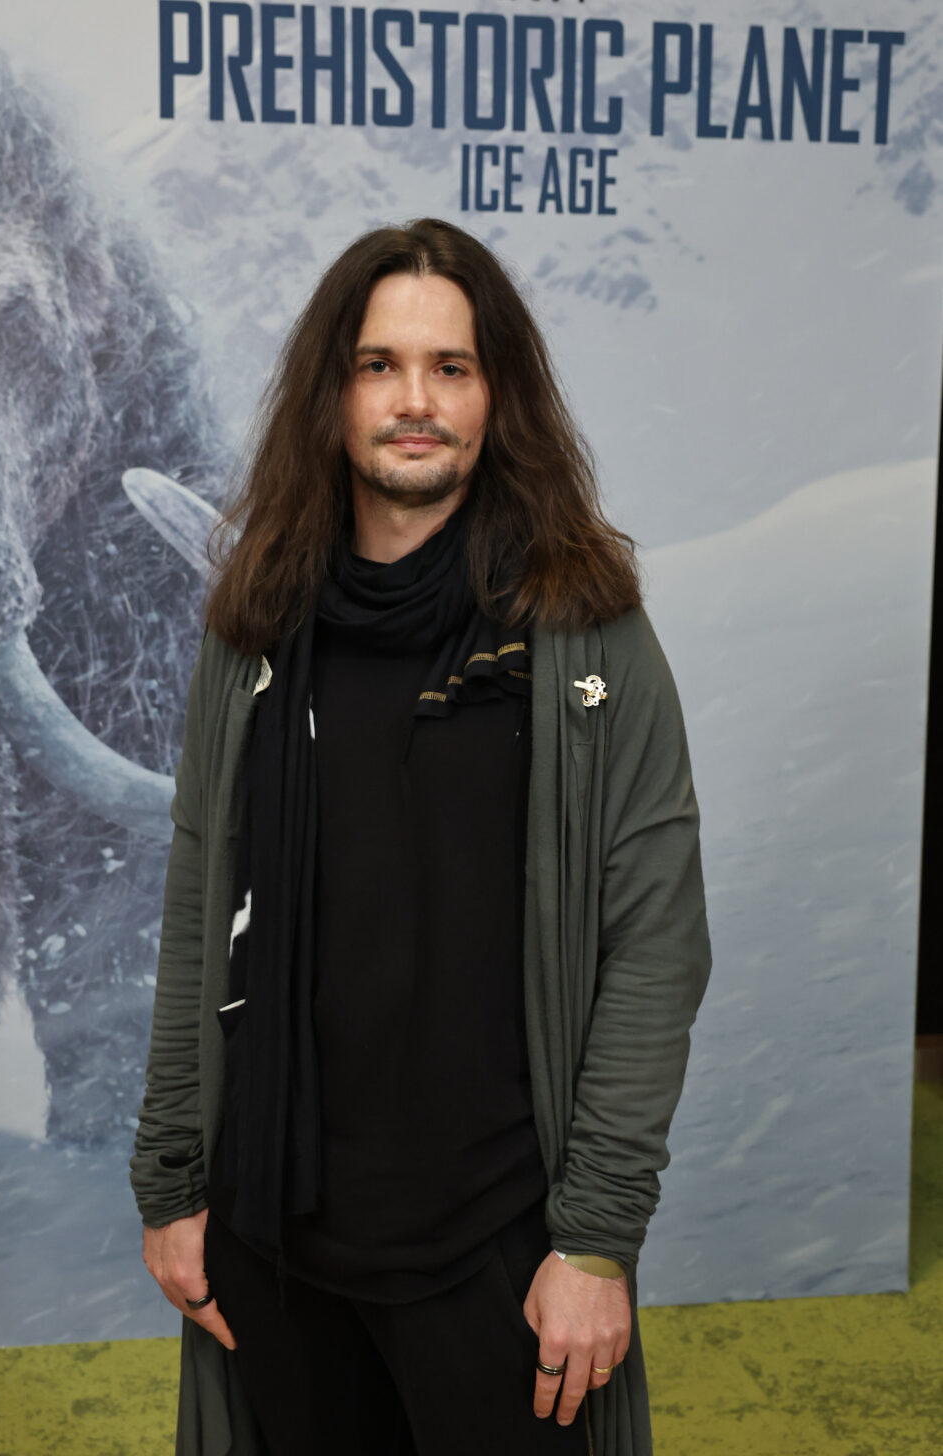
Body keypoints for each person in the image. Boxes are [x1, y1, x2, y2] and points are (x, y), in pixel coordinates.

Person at [131, 217, 711, 1456]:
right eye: (378, 364)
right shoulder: (253, 635)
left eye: (450, 367)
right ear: (329, 395)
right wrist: (176, 1188)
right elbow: (197, 908)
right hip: (276, 1238)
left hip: (498, 1247)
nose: (415, 401)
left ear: (498, 396)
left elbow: (655, 944)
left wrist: (596, 1237)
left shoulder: (585, 635)